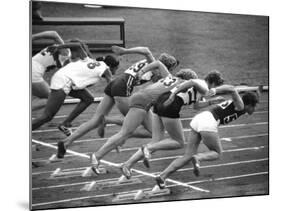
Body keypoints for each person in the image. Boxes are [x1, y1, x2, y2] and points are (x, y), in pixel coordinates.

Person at [56, 46, 179, 158]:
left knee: (95, 120)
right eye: (172, 68)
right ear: (167, 66)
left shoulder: (151, 64)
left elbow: (147, 55)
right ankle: (111, 133)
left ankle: (66, 143)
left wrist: (125, 52)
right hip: (122, 88)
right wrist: (125, 52)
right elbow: (147, 51)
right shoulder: (155, 65)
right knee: (149, 130)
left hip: (115, 83)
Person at [87, 60, 201, 175]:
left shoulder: (170, 77)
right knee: (125, 133)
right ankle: (97, 156)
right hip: (144, 102)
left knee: (155, 139)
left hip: (143, 99)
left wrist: (141, 72)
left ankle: (127, 164)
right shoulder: (183, 85)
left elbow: (158, 63)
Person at [119, 70, 225, 179]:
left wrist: (211, 102)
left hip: (160, 101)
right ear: (213, 83)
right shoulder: (204, 87)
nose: (214, 90)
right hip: (171, 103)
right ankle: (148, 148)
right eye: (216, 87)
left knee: (156, 142)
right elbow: (192, 82)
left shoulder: (201, 88)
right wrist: (173, 95)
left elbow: (196, 106)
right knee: (178, 142)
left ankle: (127, 164)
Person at [154, 86, 259, 189]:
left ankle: (162, 176)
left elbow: (238, 90)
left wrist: (253, 91)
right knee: (217, 153)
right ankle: (198, 158)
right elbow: (232, 88)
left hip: (200, 118)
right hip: (209, 121)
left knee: (187, 156)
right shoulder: (240, 105)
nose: (254, 110)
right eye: (254, 106)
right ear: (249, 104)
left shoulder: (238, 103)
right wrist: (215, 90)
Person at [32, 42, 119, 134]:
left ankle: (66, 124)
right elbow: (111, 85)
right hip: (64, 82)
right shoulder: (106, 69)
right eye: (116, 68)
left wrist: (58, 47)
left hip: (62, 78)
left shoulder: (88, 59)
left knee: (88, 98)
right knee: (47, 116)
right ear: (111, 66)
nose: (115, 71)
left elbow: (77, 45)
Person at [32, 31, 68, 111]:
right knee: (53, 99)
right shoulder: (66, 51)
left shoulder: (59, 50)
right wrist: (33, 37)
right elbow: (54, 34)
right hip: (34, 72)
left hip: (33, 68)